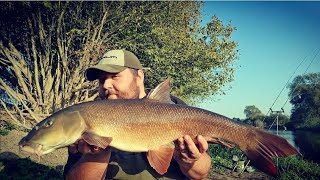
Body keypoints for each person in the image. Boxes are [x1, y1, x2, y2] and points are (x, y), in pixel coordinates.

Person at [63, 49, 211, 179]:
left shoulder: (174, 107)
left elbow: (201, 173)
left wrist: (190, 160)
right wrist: (96, 153)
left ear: (139, 77)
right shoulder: (89, 116)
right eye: (102, 80)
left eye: (114, 76)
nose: (106, 85)